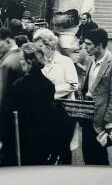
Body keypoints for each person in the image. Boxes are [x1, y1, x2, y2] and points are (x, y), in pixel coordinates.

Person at [33, 28, 79, 164]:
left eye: (40, 46)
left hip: (64, 113)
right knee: (48, 148)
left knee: (63, 149)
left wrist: (50, 92)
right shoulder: (40, 64)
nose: (38, 50)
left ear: (50, 45)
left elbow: (74, 85)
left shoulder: (65, 62)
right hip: (46, 112)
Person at [81, 28, 112, 165]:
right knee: (87, 154)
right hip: (87, 116)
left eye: (88, 44)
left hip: (101, 120)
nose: (84, 47)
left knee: (99, 158)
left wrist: (108, 121)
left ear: (99, 45)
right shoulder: (90, 60)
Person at [11, 43, 56, 165]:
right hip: (43, 139)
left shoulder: (19, 85)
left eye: (22, 61)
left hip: (23, 140)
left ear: (29, 62)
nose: (21, 64)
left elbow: (12, 117)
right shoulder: (49, 85)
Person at [0, 28, 23, 166]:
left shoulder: (8, 63)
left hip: (1, 122)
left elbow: (0, 98)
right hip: (11, 121)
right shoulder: (18, 56)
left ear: (8, 41)